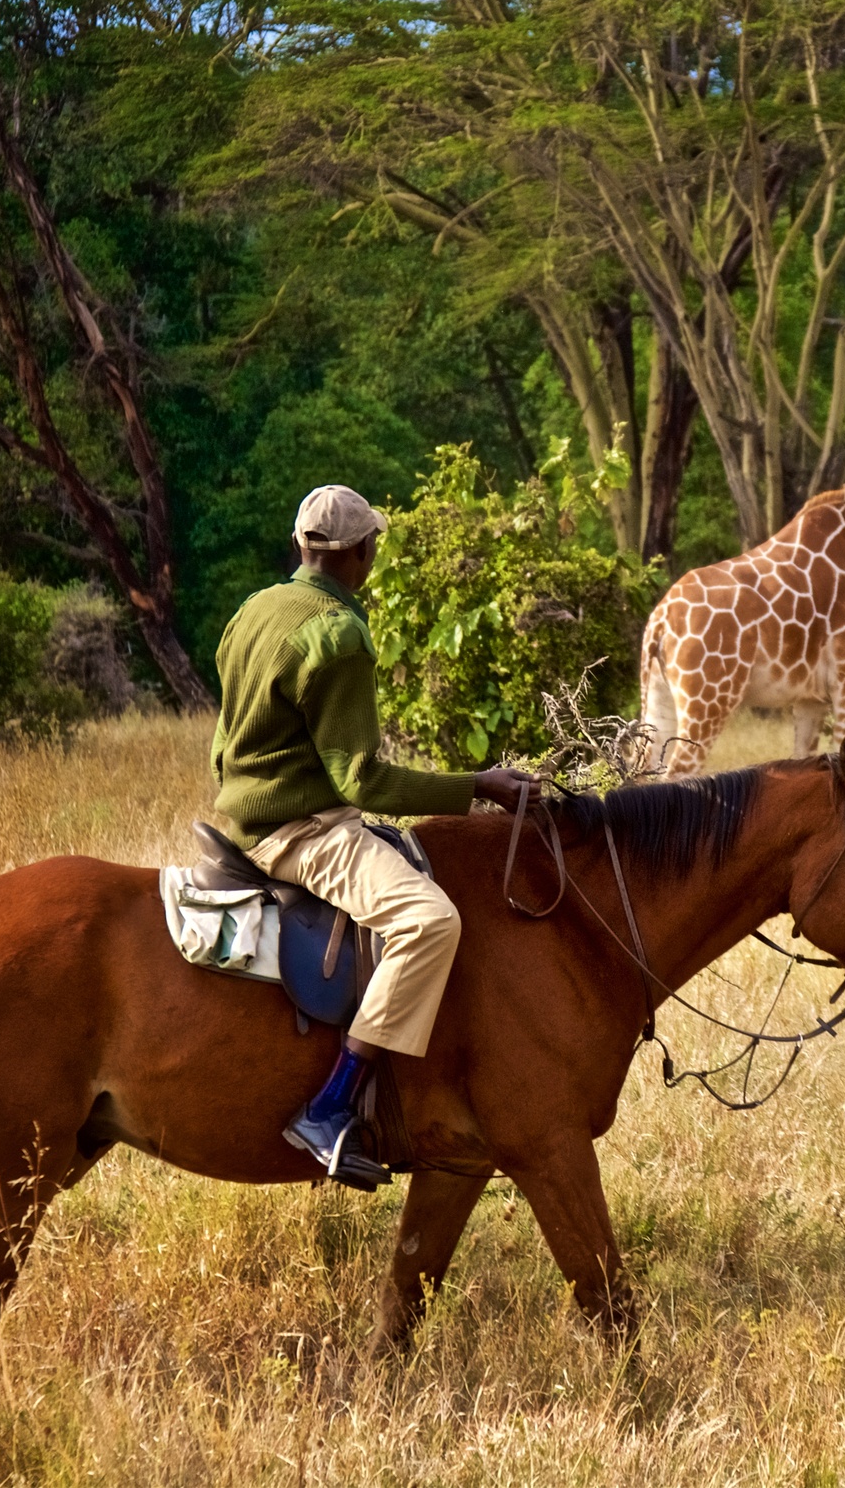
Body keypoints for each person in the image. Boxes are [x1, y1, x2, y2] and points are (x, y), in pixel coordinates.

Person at [210, 485, 536, 1189]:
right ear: (360, 553)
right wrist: (478, 785)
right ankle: (330, 1107)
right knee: (430, 921)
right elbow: (360, 779)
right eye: (372, 548)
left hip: (242, 816)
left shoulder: (253, 610)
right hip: (302, 833)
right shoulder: (339, 634)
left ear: (302, 547)